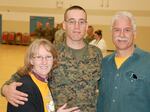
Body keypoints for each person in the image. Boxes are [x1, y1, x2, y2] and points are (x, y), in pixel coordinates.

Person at [1, 5, 102, 112]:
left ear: (86, 26)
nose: (77, 26)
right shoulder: (51, 53)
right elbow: (21, 74)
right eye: (72, 21)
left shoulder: (96, 53)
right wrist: (5, 89)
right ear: (64, 25)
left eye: (81, 22)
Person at [97, 11, 150, 112]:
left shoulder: (147, 62)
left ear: (134, 34)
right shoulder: (104, 63)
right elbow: (101, 101)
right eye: (117, 30)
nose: (121, 34)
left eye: (127, 30)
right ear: (112, 33)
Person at [6, 39, 79, 112]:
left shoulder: (44, 81)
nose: (44, 61)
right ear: (31, 60)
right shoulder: (24, 89)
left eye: (48, 57)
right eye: (39, 57)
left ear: (53, 60)